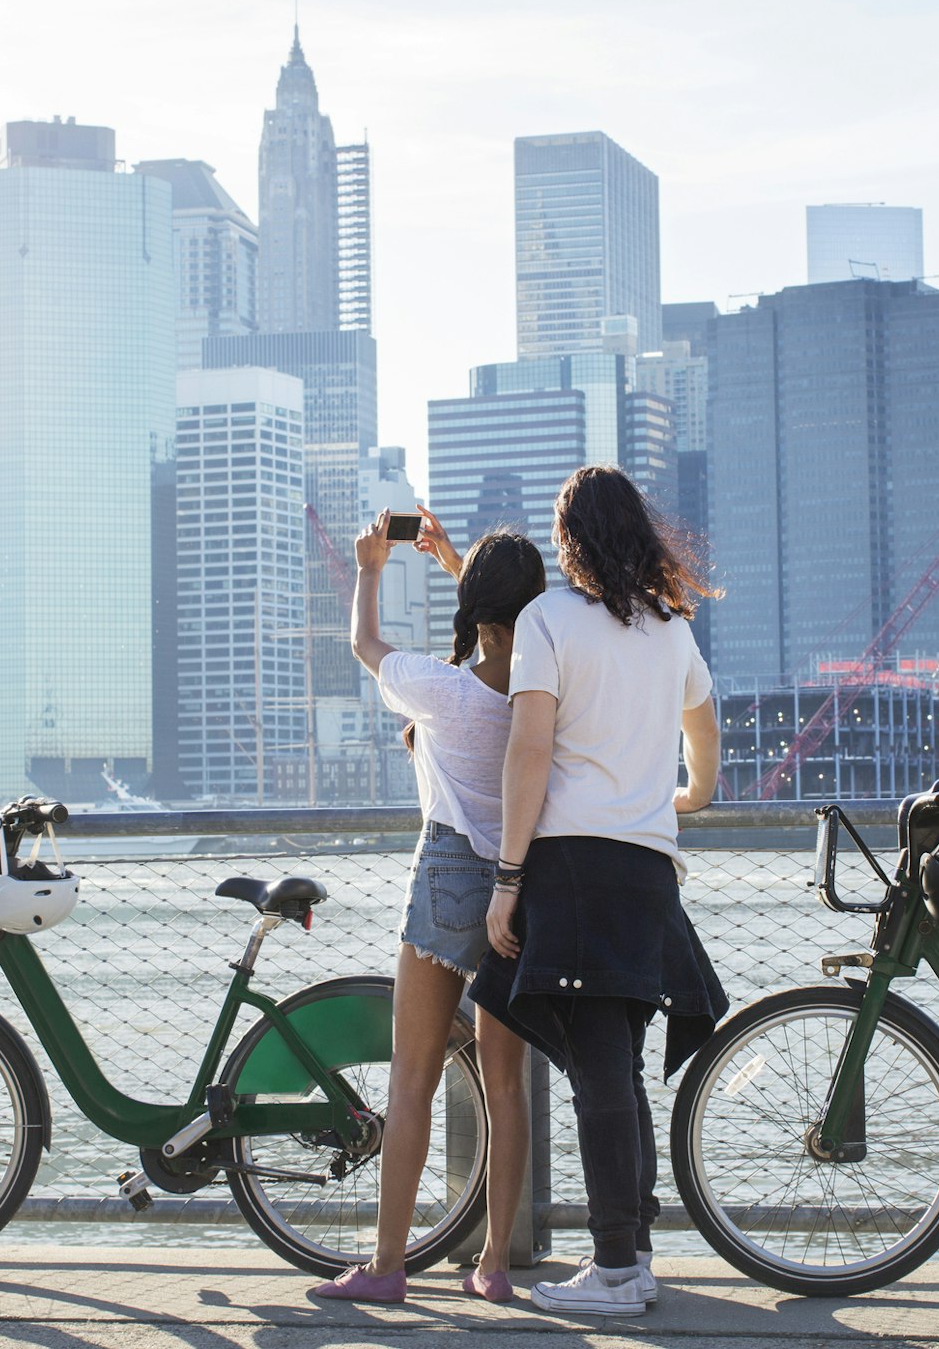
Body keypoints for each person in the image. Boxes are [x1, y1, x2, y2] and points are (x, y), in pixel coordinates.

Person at [469, 466, 727, 1318]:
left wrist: (507, 880)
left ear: (571, 540)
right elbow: (705, 729)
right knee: (612, 1065)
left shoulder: (548, 622)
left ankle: (616, 1268)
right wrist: (686, 796)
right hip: (647, 869)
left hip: (572, 867)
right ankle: (634, 1254)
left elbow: (529, 751)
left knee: (600, 1076)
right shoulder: (671, 629)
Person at [313, 507, 545, 1305]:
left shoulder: (442, 692)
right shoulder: (545, 695)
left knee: (411, 1074)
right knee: (507, 1085)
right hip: (521, 885)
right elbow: (514, 631)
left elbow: (364, 644)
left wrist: (373, 567)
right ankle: (496, 1268)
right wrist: (460, 563)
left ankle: (385, 1267)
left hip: (448, 873)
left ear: (476, 615)